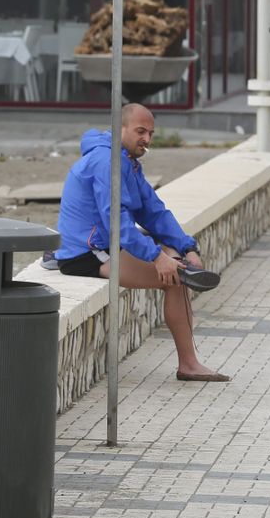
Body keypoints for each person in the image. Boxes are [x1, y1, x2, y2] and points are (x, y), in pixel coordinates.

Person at [53, 104, 227, 381]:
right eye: (140, 131)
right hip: (87, 252)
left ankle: (190, 359)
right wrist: (157, 258)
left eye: (151, 133)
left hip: (108, 244)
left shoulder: (127, 162)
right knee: (176, 277)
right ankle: (189, 364)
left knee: (176, 257)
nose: (147, 139)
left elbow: (153, 211)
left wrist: (186, 247)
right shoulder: (105, 162)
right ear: (120, 129)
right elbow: (116, 222)